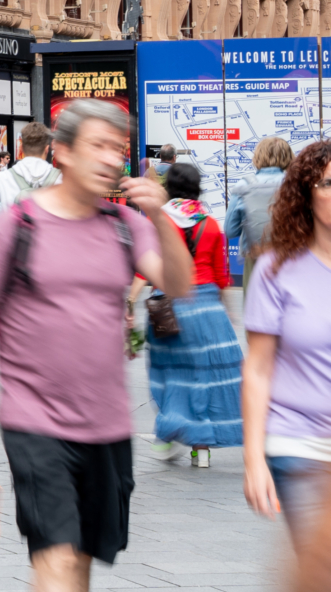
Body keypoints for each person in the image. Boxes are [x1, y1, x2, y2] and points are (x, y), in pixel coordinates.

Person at [0, 99, 194, 592]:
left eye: (118, 148)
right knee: (55, 554)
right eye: (98, 146)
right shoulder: (18, 225)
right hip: (33, 418)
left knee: (82, 557)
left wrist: (160, 213)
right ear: (61, 152)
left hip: (108, 423)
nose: (111, 159)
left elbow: (178, 284)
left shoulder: (127, 225)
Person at [244, 140, 331, 545]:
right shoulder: (275, 269)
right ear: (307, 194)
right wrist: (253, 460)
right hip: (299, 444)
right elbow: (258, 369)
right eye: (328, 184)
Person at [136, 162, 241, 467]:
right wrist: (226, 311)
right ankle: (202, 446)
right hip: (207, 308)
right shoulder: (210, 223)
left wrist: (131, 300)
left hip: (167, 307)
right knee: (204, 377)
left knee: (167, 373)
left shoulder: (160, 220)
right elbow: (222, 275)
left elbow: (148, 265)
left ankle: (168, 431)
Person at [0, 122, 61, 245]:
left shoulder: (4, 177)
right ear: (47, 149)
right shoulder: (60, 178)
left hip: (14, 244)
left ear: (21, 148)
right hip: (49, 245)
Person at [227, 136, 293, 288]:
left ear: (258, 156)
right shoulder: (295, 183)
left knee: (255, 307)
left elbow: (230, 231)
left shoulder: (244, 185)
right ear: (288, 157)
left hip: (255, 257)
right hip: (290, 257)